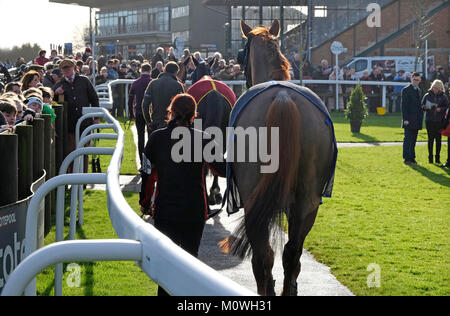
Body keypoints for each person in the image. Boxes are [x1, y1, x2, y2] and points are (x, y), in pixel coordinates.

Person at [139, 94, 225, 296]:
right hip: (194, 210)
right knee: (190, 262)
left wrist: (144, 202)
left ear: (171, 111)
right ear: (194, 115)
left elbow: (148, 175)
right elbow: (221, 170)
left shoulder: (157, 138)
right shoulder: (203, 138)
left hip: (165, 210)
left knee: (166, 265)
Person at [53, 58, 100, 172]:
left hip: (85, 122)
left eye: (68, 68)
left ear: (74, 68)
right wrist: (55, 94)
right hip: (70, 124)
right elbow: (53, 103)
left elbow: (94, 98)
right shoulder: (59, 85)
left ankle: (82, 180)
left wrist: (96, 118)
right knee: (71, 151)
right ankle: (73, 178)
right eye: (64, 69)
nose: (66, 71)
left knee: (84, 151)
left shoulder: (84, 80)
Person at [142, 61, 185, 132]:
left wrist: (148, 121)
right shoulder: (178, 85)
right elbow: (183, 106)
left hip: (156, 122)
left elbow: (145, 105)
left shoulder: (153, 83)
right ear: (176, 73)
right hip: (172, 124)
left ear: (164, 70)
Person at [128, 63, 152, 167]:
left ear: (140, 70)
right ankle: (150, 162)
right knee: (151, 138)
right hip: (150, 113)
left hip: (138, 112)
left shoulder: (135, 83)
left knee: (140, 137)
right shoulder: (153, 82)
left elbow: (130, 100)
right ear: (150, 70)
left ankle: (142, 163)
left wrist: (130, 113)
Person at [421, 80, 449, 164]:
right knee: (430, 139)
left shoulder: (444, 97)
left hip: (439, 121)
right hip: (429, 120)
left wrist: (441, 109)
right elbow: (421, 105)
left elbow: (447, 107)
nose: (434, 89)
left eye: (436, 88)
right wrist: (424, 107)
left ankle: (437, 158)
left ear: (440, 88)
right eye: (433, 87)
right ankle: (430, 158)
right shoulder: (427, 95)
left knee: (438, 140)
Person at [401, 72, 424, 165]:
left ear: (420, 80)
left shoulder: (418, 90)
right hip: (409, 119)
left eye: (418, 80)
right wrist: (405, 119)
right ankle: (407, 158)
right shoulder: (406, 90)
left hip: (417, 119)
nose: (416, 81)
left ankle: (412, 157)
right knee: (408, 139)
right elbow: (404, 106)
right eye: (414, 79)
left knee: (414, 139)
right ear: (411, 79)